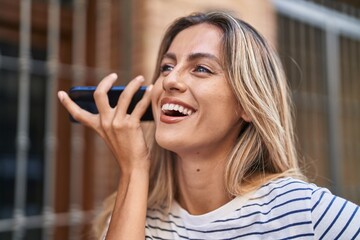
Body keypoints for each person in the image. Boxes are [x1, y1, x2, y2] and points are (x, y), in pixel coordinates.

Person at [58, 11, 360, 240]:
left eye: (201, 68)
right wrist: (134, 168)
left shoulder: (304, 213)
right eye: (167, 66)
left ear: (246, 104)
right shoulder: (131, 215)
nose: (171, 80)